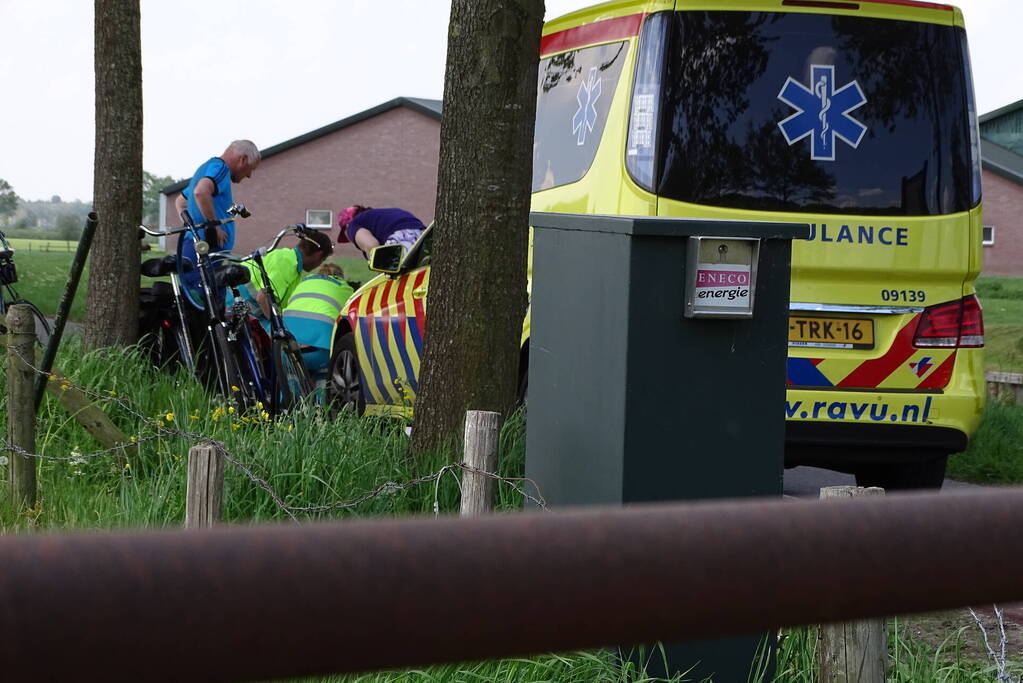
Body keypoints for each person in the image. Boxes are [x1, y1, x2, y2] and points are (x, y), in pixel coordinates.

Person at [175, 140, 261, 288]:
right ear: (243, 159)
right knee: (208, 303)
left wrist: (192, 228)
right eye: (250, 169)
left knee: (197, 300)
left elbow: (181, 201)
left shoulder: (207, 169)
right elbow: (201, 192)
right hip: (205, 250)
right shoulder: (221, 168)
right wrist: (214, 226)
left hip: (196, 248)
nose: (249, 175)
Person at [236, 229, 333, 328]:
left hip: (247, 309)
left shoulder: (293, 265)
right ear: (318, 255)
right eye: (323, 259)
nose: (319, 264)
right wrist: (278, 327)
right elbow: (262, 298)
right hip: (233, 304)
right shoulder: (287, 263)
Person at [282, 263, 355, 374]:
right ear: (340, 276)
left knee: (292, 380)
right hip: (321, 349)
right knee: (323, 376)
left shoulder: (303, 282)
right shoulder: (345, 288)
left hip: (286, 348)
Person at [337, 205, 425, 258]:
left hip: (401, 239)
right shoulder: (378, 217)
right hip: (423, 234)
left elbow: (372, 246)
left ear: (346, 227)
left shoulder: (353, 225)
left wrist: (382, 273)